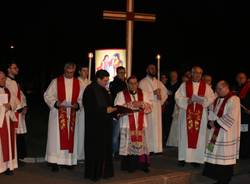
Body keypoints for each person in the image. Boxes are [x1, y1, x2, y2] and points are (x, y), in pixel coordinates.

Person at [44, 62, 82, 171]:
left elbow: (81, 98)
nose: (70, 75)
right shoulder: (56, 82)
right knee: (56, 139)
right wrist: (56, 103)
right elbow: (47, 95)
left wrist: (78, 104)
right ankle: (54, 162)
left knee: (70, 137)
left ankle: (68, 161)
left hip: (72, 114)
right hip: (58, 114)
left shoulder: (78, 82)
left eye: (72, 72)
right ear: (64, 70)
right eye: (68, 72)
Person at [175, 66, 215, 167]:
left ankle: (196, 159)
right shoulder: (184, 85)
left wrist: (203, 101)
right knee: (184, 135)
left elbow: (211, 98)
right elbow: (177, 96)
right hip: (186, 113)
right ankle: (183, 158)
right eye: (196, 72)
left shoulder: (206, 86)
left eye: (200, 73)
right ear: (191, 73)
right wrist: (187, 100)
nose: (198, 75)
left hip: (200, 115)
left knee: (200, 137)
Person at [203, 81, 241, 184]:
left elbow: (231, 115)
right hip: (216, 133)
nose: (217, 91)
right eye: (217, 89)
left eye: (219, 89)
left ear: (226, 88)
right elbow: (211, 111)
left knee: (224, 157)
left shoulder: (234, 99)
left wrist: (216, 123)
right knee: (215, 155)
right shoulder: (216, 99)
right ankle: (218, 178)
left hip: (226, 134)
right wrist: (210, 122)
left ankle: (225, 179)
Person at [83, 70, 117, 181]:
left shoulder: (104, 89)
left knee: (105, 149)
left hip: (105, 125)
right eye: (105, 80)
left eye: (107, 80)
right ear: (98, 79)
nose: (107, 83)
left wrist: (115, 111)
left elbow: (109, 104)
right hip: (94, 126)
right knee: (95, 150)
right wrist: (104, 110)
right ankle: (94, 174)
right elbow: (89, 107)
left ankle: (104, 172)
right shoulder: (90, 90)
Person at [115, 76, 152, 173]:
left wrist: (142, 104)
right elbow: (117, 109)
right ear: (127, 84)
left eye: (135, 83)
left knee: (142, 145)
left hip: (141, 123)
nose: (133, 85)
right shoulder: (121, 94)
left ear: (137, 83)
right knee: (128, 146)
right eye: (131, 83)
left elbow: (149, 108)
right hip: (127, 124)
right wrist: (131, 104)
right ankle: (130, 166)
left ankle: (143, 165)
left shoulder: (144, 93)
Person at [139, 64, 168, 153]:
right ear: (147, 70)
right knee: (149, 128)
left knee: (157, 128)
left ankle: (157, 148)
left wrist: (161, 98)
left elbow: (165, 93)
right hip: (149, 107)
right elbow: (141, 95)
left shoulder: (158, 82)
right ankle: (150, 148)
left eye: (154, 68)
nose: (153, 70)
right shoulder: (143, 82)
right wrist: (153, 93)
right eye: (151, 68)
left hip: (157, 107)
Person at [6, 62, 28, 165]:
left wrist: (25, 106)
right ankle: (14, 158)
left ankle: (18, 158)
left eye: (17, 67)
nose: (17, 69)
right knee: (14, 135)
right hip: (13, 112)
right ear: (9, 70)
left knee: (19, 135)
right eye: (14, 68)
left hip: (19, 111)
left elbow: (21, 95)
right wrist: (20, 107)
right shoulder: (7, 81)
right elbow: (12, 97)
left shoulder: (15, 82)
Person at [0, 71, 18, 175]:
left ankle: (7, 166)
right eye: (2, 79)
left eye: (4, 78)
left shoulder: (7, 90)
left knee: (8, 143)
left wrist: (10, 106)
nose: (4, 80)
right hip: (1, 121)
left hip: (7, 120)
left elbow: (15, 102)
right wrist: (3, 108)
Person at [109, 66, 127, 157]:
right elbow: (115, 98)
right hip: (117, 112)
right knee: (115, 134)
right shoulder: (114, 84)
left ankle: (120, 151)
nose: (122, 74)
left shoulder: (125, 83)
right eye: (120, 72)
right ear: (117, 73)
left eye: (124, 73)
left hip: (124, 111)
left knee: (122, 133)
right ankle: (115, 152)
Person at [76, 64, 91, 161]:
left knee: (87, 132)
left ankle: (85, 154)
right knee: (79, 132)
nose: (86, 73)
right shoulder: (76, 82)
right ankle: (78, 154)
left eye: (87, 70)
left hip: (89, 110)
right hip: (79, 110)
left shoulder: (90, 82)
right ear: (79, 72)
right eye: (84, 70)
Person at [234, 72, 250, 159]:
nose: (240, 79)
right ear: (236, 79)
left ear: (245, 78)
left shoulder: (248, 87)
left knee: (245, 134)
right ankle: (240, 152)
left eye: (242, 77)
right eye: (239, 77)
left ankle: (244, 153)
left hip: (246, 116)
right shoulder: (235, 88)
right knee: (239, 134)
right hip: (237, 116)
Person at [164, 71, 181, 145]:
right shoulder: (167, 84)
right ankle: (166, 138)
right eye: (172, 75)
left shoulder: (180, 85)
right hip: (167, 107)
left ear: (177, 76)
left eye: (175, 75)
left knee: (174, 124)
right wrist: (165, 100)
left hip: (176, 107)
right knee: (167, 123)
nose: (173, 77)